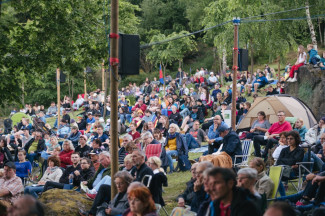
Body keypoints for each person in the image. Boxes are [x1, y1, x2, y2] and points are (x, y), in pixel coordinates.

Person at [276, 130, 305, 196]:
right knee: (272, 172)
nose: (289, 140)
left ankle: (283, 196)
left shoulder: (300, 150)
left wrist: (285, 161)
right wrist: (290, 163)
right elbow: (278, 161)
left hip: (294, 172)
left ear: (296, 139)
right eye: (287, 138)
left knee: (277, 174)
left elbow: (294, 161)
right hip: (283, 169)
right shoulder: (284, 150)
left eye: (291, 139)